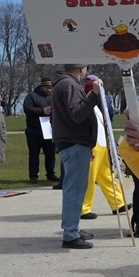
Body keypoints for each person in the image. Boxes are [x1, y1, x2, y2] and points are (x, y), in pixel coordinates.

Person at [52, 63, 102, 249]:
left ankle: (73, 228)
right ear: (83, 69)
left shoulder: (62, 83)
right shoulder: (70, 85)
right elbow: (78, 114)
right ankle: (71, 233)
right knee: (74, 189)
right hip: (75, 142)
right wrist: (95, 95)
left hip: (70, 141)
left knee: (75, 188)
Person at [81, 77, 127, 220]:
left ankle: (118, 203)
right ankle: (84, 208)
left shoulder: (97, 108)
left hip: (102, 146)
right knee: (89, 179)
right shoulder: (85, 106)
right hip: (93, 147)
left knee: (108, 177)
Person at [23, 78, 58, 184]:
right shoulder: (32, 96)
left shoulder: (53, 97)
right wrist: (42, 111)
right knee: (34, 155)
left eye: (50, 88)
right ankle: (33, 176)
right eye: (47, 88)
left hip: (49, 131)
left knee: (50, 155)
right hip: (34, 131)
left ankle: (50, 174)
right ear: (42, 86)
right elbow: (27, 109)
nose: (49, 90)